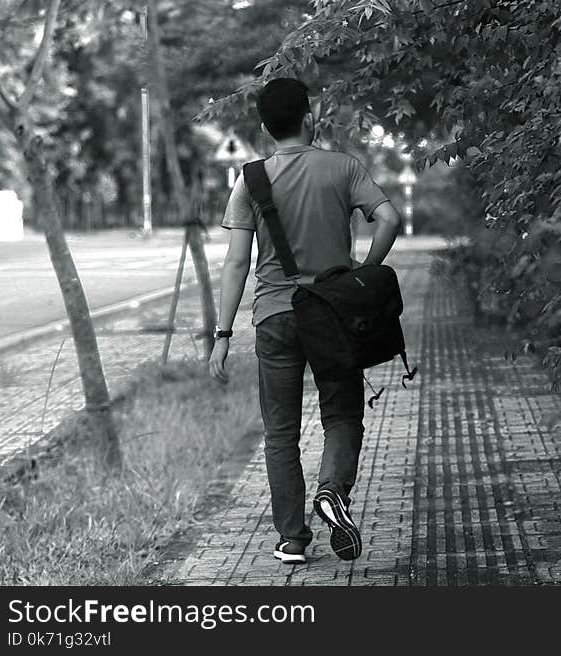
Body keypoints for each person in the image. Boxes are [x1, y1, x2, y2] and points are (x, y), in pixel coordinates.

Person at [208, 78, 402, 564]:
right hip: (332, 316)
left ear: (264, 128)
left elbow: (235, 263)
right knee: (340, 414)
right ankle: (332, 490)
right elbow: (390, 218)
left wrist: (222, 334)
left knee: (280, 433)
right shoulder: (343, 168)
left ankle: (292, 538)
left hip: (274, 316)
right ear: (310, 118)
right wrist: (366, 269)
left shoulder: (250, 180)